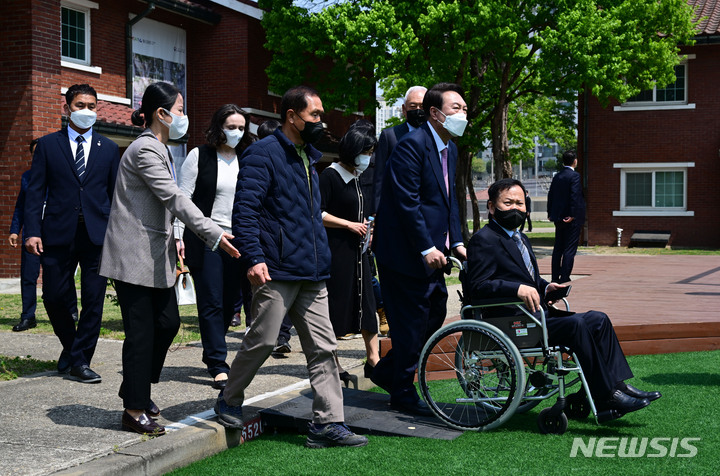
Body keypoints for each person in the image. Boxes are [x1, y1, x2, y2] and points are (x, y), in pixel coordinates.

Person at [216, 85, 368, 449]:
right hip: (277, 269)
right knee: (264, 339)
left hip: (313, 271)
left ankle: (328, 422)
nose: (321, 121)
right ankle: (229, 398)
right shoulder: (262, 155)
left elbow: (311, 216)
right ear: (291, 116)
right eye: (314, 115)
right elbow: (246, 212)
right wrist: (253, 258)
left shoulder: (309, 156)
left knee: (324, 347)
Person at [99, 82, 239, 436]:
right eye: (179, 109)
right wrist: (214, 233)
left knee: (168, 323)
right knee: (141, 332)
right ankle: (134, 409)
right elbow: (176, 198)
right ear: (160, 114)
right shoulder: (145, 150)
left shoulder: (160, 148)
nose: (183, 117)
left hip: (153, 254)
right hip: (133, 255)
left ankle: (135, 387)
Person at [466, 178, 661, 421]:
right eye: (508, 203)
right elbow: (478, 287)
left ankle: (616, 386)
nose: (516, 208)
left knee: (598, 320)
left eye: (520, 203)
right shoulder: (484, 240)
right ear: (492, 207)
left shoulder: (520, 238)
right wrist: (516, 289)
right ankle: (606, 397)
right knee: (577, 325)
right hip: (510, 321)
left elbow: (527, 279)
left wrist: (546, 287)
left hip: (536, 315)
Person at [371, 82, 467, 417]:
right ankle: (402, 391)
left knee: (435, 312)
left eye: (464, 109)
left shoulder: (449, 148)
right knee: (410, 322)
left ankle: (386, 372)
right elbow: (406, 202)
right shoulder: (411, 145)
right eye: (456, 109)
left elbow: (448, 200)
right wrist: (426, 245)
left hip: (432, 254)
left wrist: (455, 241)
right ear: (435, 113)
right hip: (403, 252)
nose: (463, 115)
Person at [24, 84, 120, 382]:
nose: (87, 111)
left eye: (92, 106)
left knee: (93, 300)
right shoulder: (48, 145)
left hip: (97, 235)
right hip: (57, 233)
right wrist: (32, 231)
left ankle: (79, 361)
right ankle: (73, 346)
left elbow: (116, 194)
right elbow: (35, 191)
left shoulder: (109, 148)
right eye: (80, 105)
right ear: (67, 109)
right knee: (53, 296)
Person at [174, 104, 253, 390]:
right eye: (231, 126)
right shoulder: (200, 156)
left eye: (241, 128)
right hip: (206, 238)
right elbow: (182, 199)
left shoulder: (248, 157)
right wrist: (178, 237)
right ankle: (218, 363)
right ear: (218, 127)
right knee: (211, 300)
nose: (236, 132)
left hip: (239, 240)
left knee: (230, 303)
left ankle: (214, 352)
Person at [320, 119, 379, 378]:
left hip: (360, 253)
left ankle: (374, 360)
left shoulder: (359, 178)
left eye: (370, 153)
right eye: (365, 152)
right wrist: (348, 225)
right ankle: (333, 364)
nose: (368, 158)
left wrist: (368, 228)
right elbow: (317, 213)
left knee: (367, 306)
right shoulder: (330, 176)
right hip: (336, 253)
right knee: (335, 310)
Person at [371, 85, 426, 337]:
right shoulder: (390, 136)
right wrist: (375, 220)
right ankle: (395, 327)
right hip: (395, 222)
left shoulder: (434, 136)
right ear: (404, 109)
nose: (417, 111)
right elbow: (379, 181)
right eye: (413, 107)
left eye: (422, 107)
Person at [253, 118, 294, 354]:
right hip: (265, 240)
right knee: (267, 294)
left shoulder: (290, 161)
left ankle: (282, 335)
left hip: (284, 242)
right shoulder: (258, 159)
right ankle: (265, 334)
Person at [547, 150, 586, 283]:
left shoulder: (557, 176)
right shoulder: (574, 176)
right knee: (569, 249)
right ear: (575, 161)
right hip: (571, 219)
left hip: (558, 217)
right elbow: (574, 196)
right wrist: (573, 215)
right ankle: (564, 276)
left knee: (558, 247)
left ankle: (554, 276)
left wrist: (550, 213)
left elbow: (551, 195)